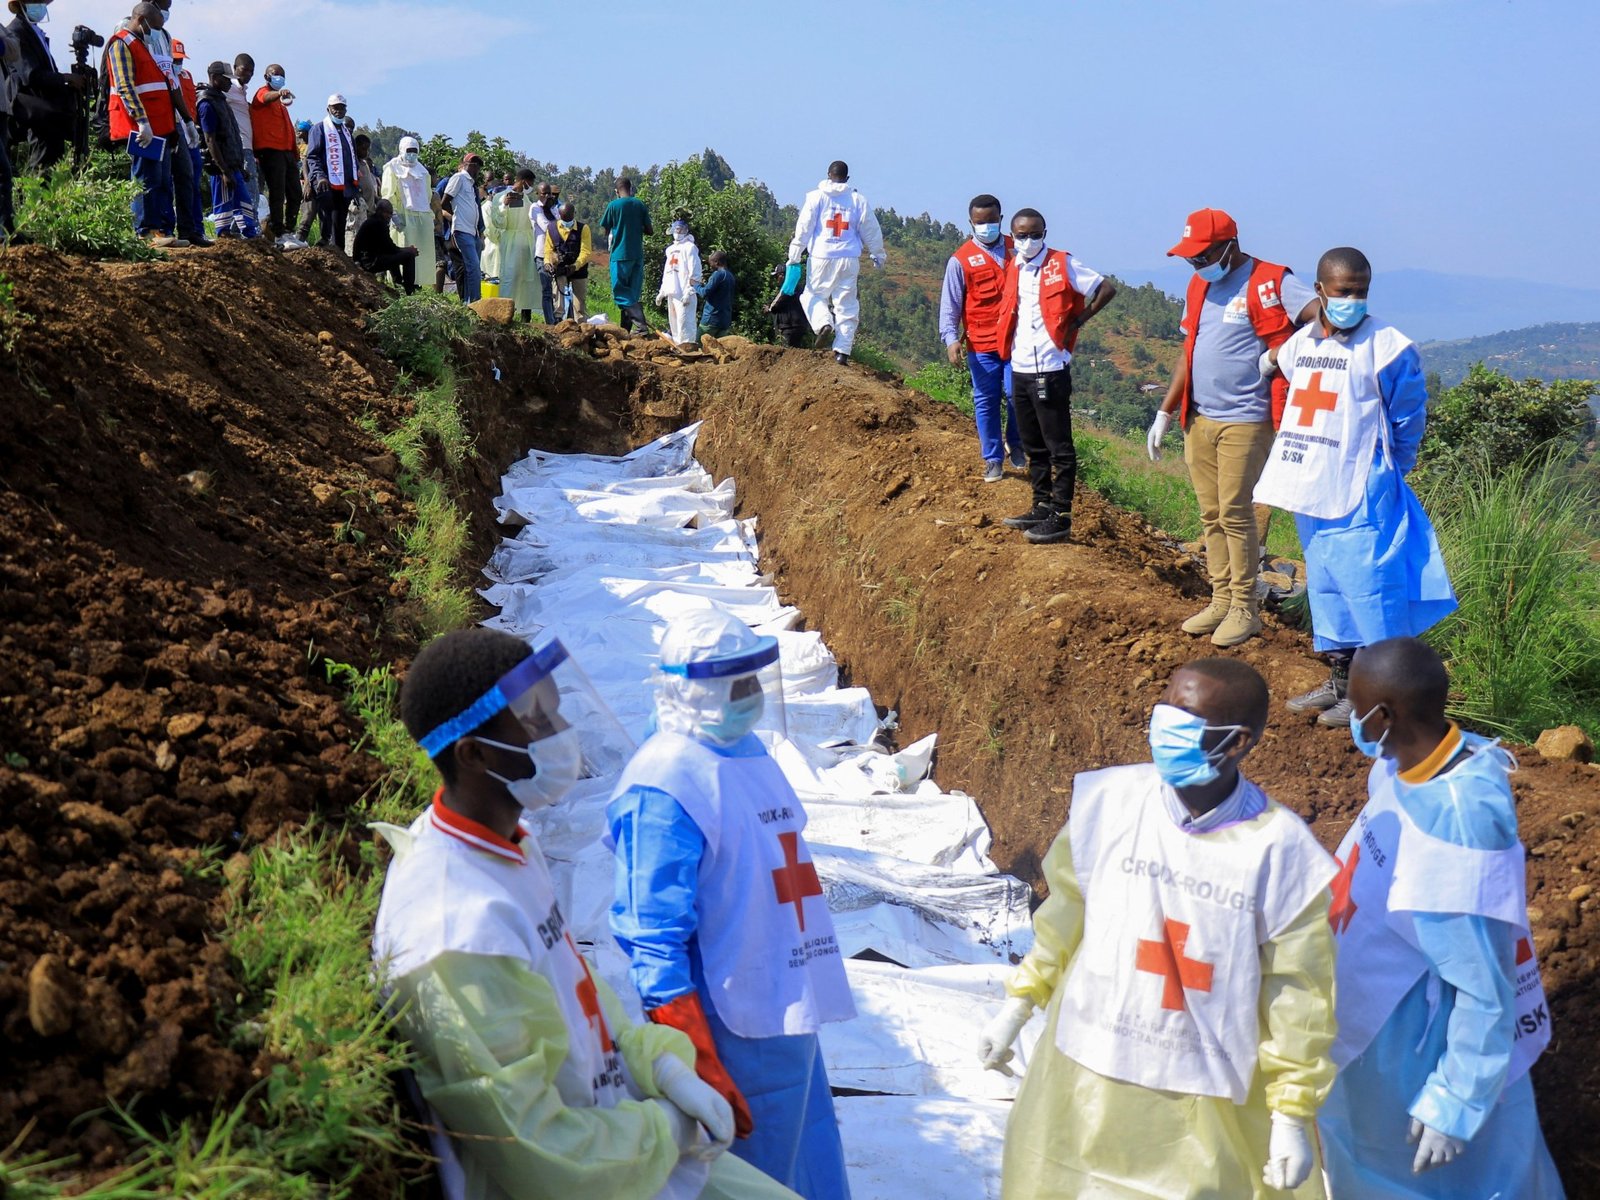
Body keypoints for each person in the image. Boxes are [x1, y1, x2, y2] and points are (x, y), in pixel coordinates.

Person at [373, 627, 802, 1200]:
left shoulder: (508, 847)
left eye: (554, 711)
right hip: (586, 1174)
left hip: (618, 1143)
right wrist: (667, 1129)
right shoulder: (459, 932)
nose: (560, 735)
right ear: (472, 754)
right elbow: (535, 1149)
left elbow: (578, 987)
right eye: (534, 722)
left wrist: (662, 1067)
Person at [978, 658, 1338, 1199]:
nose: (1164, 727)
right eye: (1164, 709)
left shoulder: (1281, 852)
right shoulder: (1111, 805)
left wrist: (1291, 1113)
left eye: (1185, 717)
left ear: (1237, 742)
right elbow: (1064, 915)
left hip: (1201, 1104)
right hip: (1084, 1075)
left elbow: (1300, 992)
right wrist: (1019, 1003)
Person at [608, 610, 857, 1200]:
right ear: (690, 692)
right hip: (730, 1023)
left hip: (782, 1002)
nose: (750, 696)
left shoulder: (742, 749)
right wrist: (690, 1048)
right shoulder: (664, 785)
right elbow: (652, 933)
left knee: (805, 1148)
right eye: (733, 684)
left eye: (754, 680)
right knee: (749, 1174)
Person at [1318, 637, 1564, 1197]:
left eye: (1356, 708)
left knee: (1439, 1176)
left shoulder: (1456, 826)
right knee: (1361, 1154)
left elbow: (1482, 984)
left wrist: (1455, 1100)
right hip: (1371, 1008)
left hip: (1415, 1043)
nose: (1351, 719)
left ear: (1384, 715)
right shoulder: (1405, 763)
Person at [1252, 247, 1457, 728]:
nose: (1353, 300)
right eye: (1344, 291)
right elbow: (1281, 369)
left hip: (1363, 486)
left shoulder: (1388, 347)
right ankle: (1341, 682)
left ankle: (1378, 697)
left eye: (1361, 291)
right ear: (1320, 290)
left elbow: (1409, 416)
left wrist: (1390, 470)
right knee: (1326, 584)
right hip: (1313, 485)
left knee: (1370, 588)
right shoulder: (1303, 343)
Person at [1146, 209, 1319, 648]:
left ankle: (1245, 607)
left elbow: (1322, 319)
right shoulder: (1199, 283)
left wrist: (1280, 356)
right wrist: (1165, 412)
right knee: (1211, 514)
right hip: (1199, 418)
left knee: (1236, 513)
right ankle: (1221, 599)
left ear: (1230, 245)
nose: (1195, 263)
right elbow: (1190, 351)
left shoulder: (1272, 280)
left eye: (1202, 255)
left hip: (1246, 419)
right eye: (1190, 257)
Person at [992, 208, 1117, 546]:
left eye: (1035, 234)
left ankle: (1060, 515)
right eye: (1021, 235)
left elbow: (1105, 289)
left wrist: (1077, 322)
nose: (1028, 241)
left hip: (1050, 367)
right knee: (1032, 443)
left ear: (1044, 233)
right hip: (1019, 367)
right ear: (1012, 235)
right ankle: (1040, 505)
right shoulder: (1013, 267)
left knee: (1058, 445)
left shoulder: (1062, 264)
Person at [940, 193, 1024, 483]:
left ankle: (1016, 441)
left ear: (1000, 220)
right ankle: (992, 459)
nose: (986, 226)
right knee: (985, 399)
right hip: (982, 343)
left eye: (991, 221)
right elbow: (950, 305)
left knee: (1018, 394)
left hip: (1018, 341)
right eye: (980, 222)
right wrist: (951, 339)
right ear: (971, 223)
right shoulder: (960, 261)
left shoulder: (1019, 249)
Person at [788, 160, 885, 365]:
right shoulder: (858, 200)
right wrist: (878, 254)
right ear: (847, 178)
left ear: (827, 174)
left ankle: (823, 323)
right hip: (849, 259)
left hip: (821, 257)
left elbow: (803, 229)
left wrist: (794, 256)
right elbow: (871, 230)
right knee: (846, 304)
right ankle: (842, 351)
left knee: (812, 295)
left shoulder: (815, 198)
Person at [105, 3, 183, 248]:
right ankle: (144, 232)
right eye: (155, 28)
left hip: (158, 125)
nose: (156, 34)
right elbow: (125, 85)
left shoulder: (143, 44)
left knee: (160, 179)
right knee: (145, 178)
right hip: (141, 127)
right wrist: (142, 121)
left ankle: (160, 230)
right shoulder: (121, 43)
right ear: (141, 20)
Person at [5, 0, 75, 168]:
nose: (41, 5)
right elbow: (30, 75)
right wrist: (65, 78)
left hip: (46, 109)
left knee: (52, 158)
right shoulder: (16, 31)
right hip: (35, 109)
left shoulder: (34, 31)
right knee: (42, 163)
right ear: (22, 5)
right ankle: (37, 194)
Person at [195, 59, 257, 239]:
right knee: (224, 205)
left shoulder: (220, 100)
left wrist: (238, 166)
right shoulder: (207, 103)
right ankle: (224, 237)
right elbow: (210, 140)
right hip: (221, 167)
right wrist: (224, 170)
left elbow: (232, 136)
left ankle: (250, 236)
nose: (230, 82)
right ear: (214, 78)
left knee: (244, 202)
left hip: (232, 164)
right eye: (226, 79)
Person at [250, 62, 301, 246]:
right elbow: (266, 97)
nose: (279, 78)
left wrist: (295, 153)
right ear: (267, 77)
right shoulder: (262, 94)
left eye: (282, 75)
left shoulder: (281, 106)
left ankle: (288, 230)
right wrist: (279, 93)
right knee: (277, 192)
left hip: (287, 152)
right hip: (270, 151)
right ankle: (278, 233)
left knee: (295, 192)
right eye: (275, 74)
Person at [167, 41, 210, 246]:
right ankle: (167, 230)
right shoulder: (162, 75)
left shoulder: (186, 76)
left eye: (180, 59)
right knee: (166, 181)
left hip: (189, 132)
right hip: (170, 130)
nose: (178, 63)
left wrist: (193, 127)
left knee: (190, 182)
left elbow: (190, 103)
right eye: (175, 59)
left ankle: (194, 229)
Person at [381, 136, 436, 291]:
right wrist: (394, 214)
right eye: (409, 151)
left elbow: (427, 195)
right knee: (403, 249)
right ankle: (399, 284)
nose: (412, 154)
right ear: (402, 150)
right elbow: (388, 193)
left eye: (414, 151)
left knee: (421, 254)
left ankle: (417, 283)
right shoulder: (392, 168)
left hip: (422, 216)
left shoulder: (423, 171)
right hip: (403, 216)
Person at [601, 176, 654, 333]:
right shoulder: (639, 204)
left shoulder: (613, 206)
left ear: (616, 191)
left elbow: (605, 230)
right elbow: (650, 231)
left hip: (620, 254)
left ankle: (641, 326)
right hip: (637, 255)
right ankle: (626, 330)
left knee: (620, 293)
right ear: (631, 189)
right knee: (631, 294)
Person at [305, 94, 357, 250]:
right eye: (335, 108)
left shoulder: (347, 133)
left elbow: (352, 158)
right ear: (328, 109)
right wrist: (319, 176)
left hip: (346, 186)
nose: (338, 111)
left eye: (342, 108)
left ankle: (338, 253)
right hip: (327, 183)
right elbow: (312, 156)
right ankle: (325, 246)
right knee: (328, 217)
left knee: (340, 222)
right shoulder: (320, 128)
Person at [489, 169, 539, 321]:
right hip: (510, 242)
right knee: (509, 277)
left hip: (527, 244)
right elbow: (498, 222)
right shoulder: (500, 197)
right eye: (530, 183)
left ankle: (526, 316)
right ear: (523, 181)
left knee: (527, 280)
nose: (531, 187)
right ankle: (503, 315)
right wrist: (504, 206)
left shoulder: (529, 201)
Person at [441, 152, 485, 303]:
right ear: (466, 164)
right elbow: (445, 201)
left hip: (473, 232)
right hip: (462, 230)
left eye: (478, 165)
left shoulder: (472, 184)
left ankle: (469, 301)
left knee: (471, 268)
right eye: (473, 164)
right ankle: (475, 301)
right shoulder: (458, 178)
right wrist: (455, 216)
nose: (476, 167)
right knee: (473, 267)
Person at [353, 198, 418, 294]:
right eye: (387, 213)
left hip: (366, 260)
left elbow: (388, 249)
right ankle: (409, 291)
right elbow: (391, 248)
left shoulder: (372, 221)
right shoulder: (379, 224)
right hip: (370, 263)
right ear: (379, 211)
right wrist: (409, 250)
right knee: (409, 256)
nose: (389, 216)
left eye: (391, 213)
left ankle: (399, 285)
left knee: (393, 257)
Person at [657, 216, 702, 345]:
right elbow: (668, 273)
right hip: (672, 291)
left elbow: (695, 271)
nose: (678, 233)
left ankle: (688, 347)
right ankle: (677, 346)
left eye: (681, 230)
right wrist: (662, 291)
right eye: (676, 230)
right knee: (674, 322)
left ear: (686, 231)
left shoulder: (690, 248)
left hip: (684, 292)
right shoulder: (670, 250)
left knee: (685, 322)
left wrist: (690, 290)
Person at [225, 54, 258, 216]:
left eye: (252, 72)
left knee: (246, 192)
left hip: (248, 148)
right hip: (240, 147)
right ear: (234, 68)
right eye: (245, 70)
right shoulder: (228, 88)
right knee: (250, 193)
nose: (248, 75)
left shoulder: (242, 91)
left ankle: (240, 231)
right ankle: (249, 232)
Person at [549, 201, 591, 320]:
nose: (566, 221)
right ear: (559, 215)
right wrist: (549, 263)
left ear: (574, 214)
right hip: (560, 268)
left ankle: (581, 324)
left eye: (569, 217)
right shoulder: (552, 228)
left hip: (579, 268)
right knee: (558, 298)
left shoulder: (584, 229)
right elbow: (548, 249)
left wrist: (575, 266)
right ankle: (557, 320)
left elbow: (586, 251)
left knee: (579, 304)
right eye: (564, 218)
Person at [0, 22, 22, 242]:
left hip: (1, 107)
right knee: (2, 172)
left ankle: (6, 229)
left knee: (4, 171)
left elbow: (15, 50)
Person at [342, 132, 377, 257]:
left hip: (368, 209)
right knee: (355, 235)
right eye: (363, 149)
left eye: (367, 149)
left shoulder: (365, 164)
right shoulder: (353, 163)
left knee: (366, 239)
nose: (366, 152)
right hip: (358, 207)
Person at [531, 182, 561, 323]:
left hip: (556, 254)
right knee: (547, 290)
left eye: (550, 193)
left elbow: (562, 227)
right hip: (542, 254)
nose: (548, 196)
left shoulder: (555, 209)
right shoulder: (535, 208)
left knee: (558, 289)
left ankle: (558, 319)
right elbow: (547, 227)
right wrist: (547, 209)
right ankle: (550, 322)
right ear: (538, 194)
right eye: (544, 193)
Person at [767, 258, 808, 348]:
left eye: (776, 276)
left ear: (782, 275)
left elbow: (777, 305)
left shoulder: (788, 289)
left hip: (789, 327)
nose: (776, 279)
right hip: (799, 325)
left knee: (787, 353)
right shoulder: (799, 287)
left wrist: (769, 309)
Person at [698, 251, 735, 339]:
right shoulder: (730, 276)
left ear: (717, 262)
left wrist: (696, 285)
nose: (710, 266)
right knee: (719, 349)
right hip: (724, 320)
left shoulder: (718, 274)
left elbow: (705, 292)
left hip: (711, 319)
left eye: (711, 263)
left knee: (698, 345)